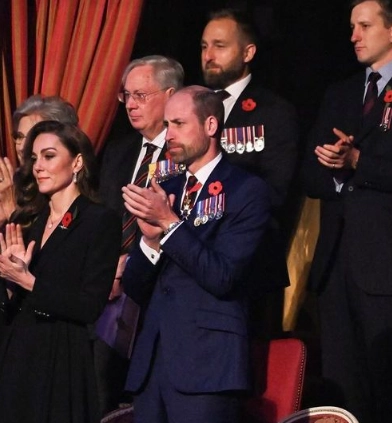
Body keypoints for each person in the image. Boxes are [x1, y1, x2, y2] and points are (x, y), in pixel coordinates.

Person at [301, 1, 392, 421]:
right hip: (335, 267)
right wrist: (333, 169)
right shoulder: (339, 93)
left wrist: (359, 162)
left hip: (389, 269)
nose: (354, 36)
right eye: (352, 27)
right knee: (342, 394)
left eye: (365, 26)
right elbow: (308, 174)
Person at [121, 86, 270, 423]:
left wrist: (169, 224)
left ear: (211, 126)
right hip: (153, 363)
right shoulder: (165, 190)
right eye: (166, 125)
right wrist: (149, 244)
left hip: (206, 364)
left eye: (178, 124)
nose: (168, 134)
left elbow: (223, 276)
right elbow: (134, 286)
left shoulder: (246, 190)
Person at [0, 120, 121, 423]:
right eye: (34, 158)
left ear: (77, 161)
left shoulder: (98, 221)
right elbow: (11, 300)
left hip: (62, 355)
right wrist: (11, 280)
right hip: (19, 353)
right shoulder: (30, 221)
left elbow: (89, 305)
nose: (38, 166)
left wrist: (29, 281)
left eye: (49, 156)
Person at [96, 55, 184, 415]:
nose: (130, 104)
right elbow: (102, 221)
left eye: (140, 95)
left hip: (160, 290)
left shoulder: (186, 151)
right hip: (109, 294)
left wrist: (130, 264)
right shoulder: (119, 151)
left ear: (171, 94)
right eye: (126, 96)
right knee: (101, 391)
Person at [202, 8, 298, 337]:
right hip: (191, 261)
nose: (208, 55)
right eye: (204, 47)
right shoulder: (191, 107)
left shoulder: (273, 111)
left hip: (248, 264)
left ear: (248, 52)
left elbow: (276, 191)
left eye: (219, 45)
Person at [2, 96, 79, 225]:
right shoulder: (14, 185)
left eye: (32, 137)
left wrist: (11, 210)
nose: (21, 147)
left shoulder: (59, 193)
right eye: (19, 137)